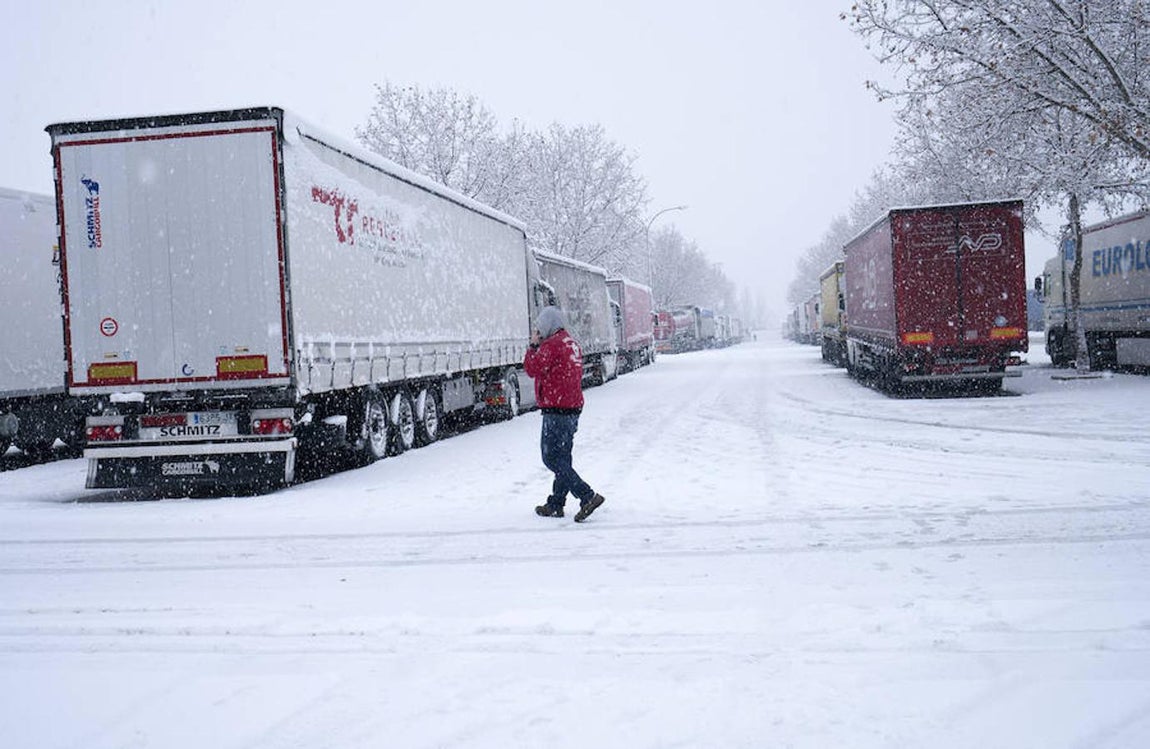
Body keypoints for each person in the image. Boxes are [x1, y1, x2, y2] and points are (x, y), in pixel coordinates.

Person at [523, 305, 606, 522]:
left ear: (548, 326)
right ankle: (556, 503)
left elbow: (532, 369)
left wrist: (533, 346)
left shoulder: (551, 346)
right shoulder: (572, 344)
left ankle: (587, 496)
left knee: (551, 457)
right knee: (563, 458)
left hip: (556, 410)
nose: (538, 333)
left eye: (539, 329)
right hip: (572, 408)